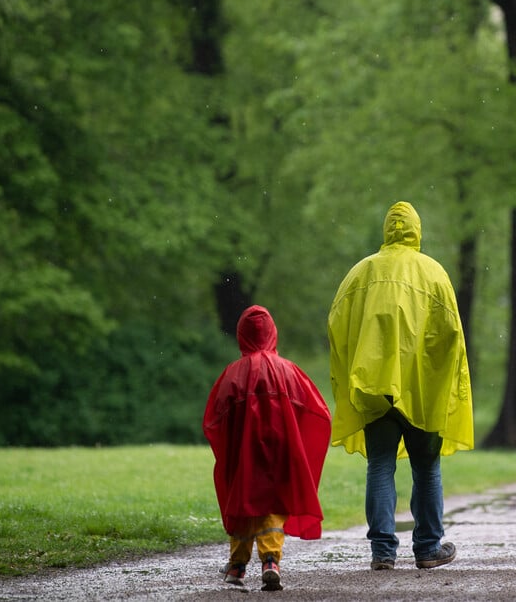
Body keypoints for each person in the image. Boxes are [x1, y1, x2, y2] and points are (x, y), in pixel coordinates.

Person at [328, 201, 474, 571]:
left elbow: (337, 325)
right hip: (422, 388)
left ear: (387, 230)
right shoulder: (434, 274)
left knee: (380, 465)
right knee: (426, 467)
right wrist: (442, 381)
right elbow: (451, 336)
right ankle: (427, 548)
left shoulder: (361, 274)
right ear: (416, 230)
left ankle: (383, 552)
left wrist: (356, 368)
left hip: (375, 387)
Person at [203, 305, 331, 590]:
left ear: (241, 336)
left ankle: (237, 566)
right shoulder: (289, 370)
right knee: (273, 503)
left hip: (243, 452)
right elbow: (316, 409)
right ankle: (271, 561)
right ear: (273, 333)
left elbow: (215, 417)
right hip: (280, 450)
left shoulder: (232, 374)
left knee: (243, 502)